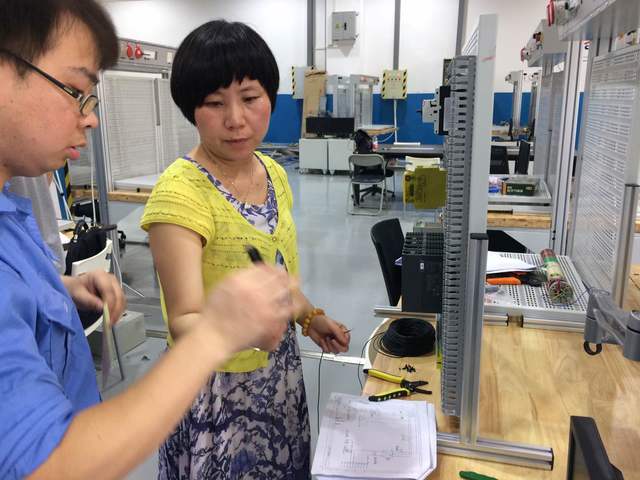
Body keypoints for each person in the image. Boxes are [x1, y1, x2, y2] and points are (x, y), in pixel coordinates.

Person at [0, 2, 298, 479]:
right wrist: (219, 333)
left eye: (250, 97)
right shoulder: (182, 190)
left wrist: (57, 289)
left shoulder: (11, 215)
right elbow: (46, 463)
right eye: (75, 91)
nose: (91, 118)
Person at [140, 20, 352, 479]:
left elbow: (277, 275)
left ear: (270, 98)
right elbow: (183, 322)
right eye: (215, 103)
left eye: (250, 98)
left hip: (278, 375)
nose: (236, 119)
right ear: (192, 109)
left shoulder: (274, 173)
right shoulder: (179, 194)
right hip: (215, 391)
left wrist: (310, 317)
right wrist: (246, 329)